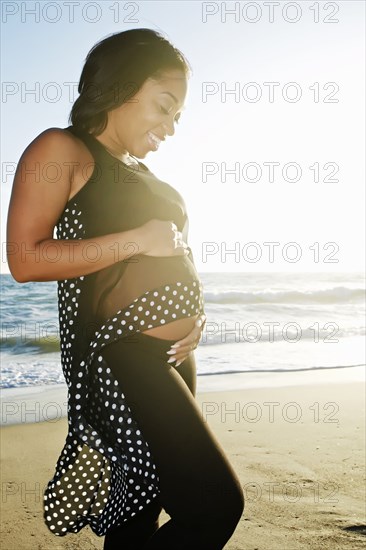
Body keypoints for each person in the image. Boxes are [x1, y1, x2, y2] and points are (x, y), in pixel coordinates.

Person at [7, 28, 244, 549]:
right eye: (164, 106)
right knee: (214, 506)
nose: (172, 126)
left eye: (178, 115)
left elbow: (172, 256)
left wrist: (196, 316)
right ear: (120, 85)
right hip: (122, 355)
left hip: (174, 357)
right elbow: (24, 260)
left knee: (139, 512)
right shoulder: (62, 148)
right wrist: (137, 239)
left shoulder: (145, 173)